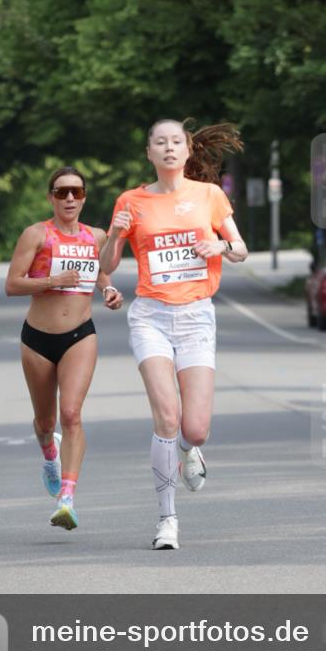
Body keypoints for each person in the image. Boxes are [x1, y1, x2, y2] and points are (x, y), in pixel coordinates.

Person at [100, 120, 248, 549]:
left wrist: (220, 247)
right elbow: (107, 260)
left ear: (187, 151)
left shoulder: (209, 195)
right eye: (160, 143)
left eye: (176, 142)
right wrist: (115, 231)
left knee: (195, 428)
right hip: (150, 316)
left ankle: (189, 449)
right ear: (149, 152)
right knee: (166, 418)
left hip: (197, 315)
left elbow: (240, 249)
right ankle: (167, 519)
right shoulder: (131, 201)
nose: (168, 148)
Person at [5, 166, 123, 531]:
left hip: (80, 335)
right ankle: (48, 453)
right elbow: (12, 284)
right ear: (51, 198)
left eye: (75, 191)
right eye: (61, 193)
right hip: (38, 339)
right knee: (46, 422)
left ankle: (67, 498)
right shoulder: (37, 235)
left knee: (71, 414)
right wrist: (52, 281)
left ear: (84, 196)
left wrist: (108, 290)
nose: (69, 198)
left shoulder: (97, 236)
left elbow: (101, 271)